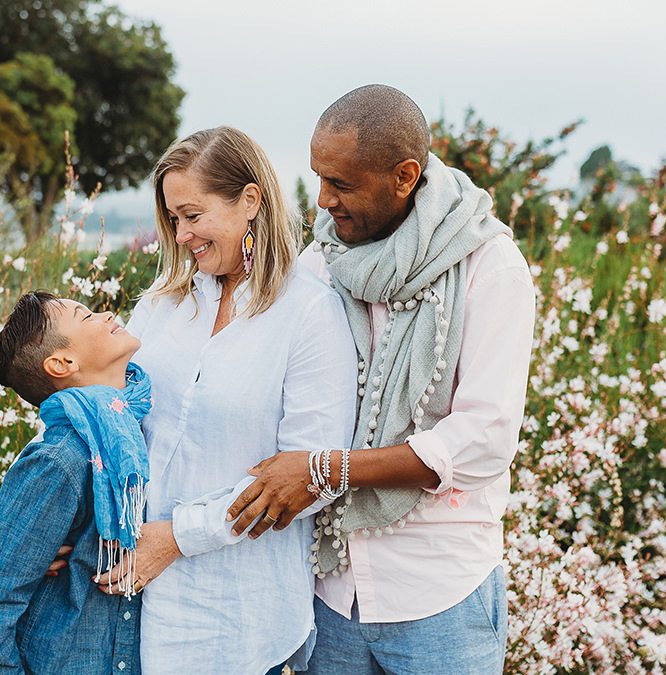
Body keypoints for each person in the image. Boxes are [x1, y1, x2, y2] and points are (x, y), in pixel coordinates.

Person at [225, 85, 537, 673]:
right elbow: (264, 399)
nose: (322, 201)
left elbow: (483, 440)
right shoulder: (319, 263)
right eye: (318, 178)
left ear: (404, 176)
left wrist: (325, 470)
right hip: (328, 590)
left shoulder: (487, 266)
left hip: (440, 593)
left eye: (341, 184)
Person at [92, 126, 359, 674]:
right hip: (134, 599)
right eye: (172, 219)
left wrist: (177, 538)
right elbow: (109, 418)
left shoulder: (309, 313)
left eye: (193, 215)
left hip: (239, 610)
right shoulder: (164, 304)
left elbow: (307, 478)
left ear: (250, 201)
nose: (181, 233)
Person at [0, 291, 150, 674]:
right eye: (87, 316)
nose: (107, 313)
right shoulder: (57, 461)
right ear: (63, 363)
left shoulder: (131, 429)